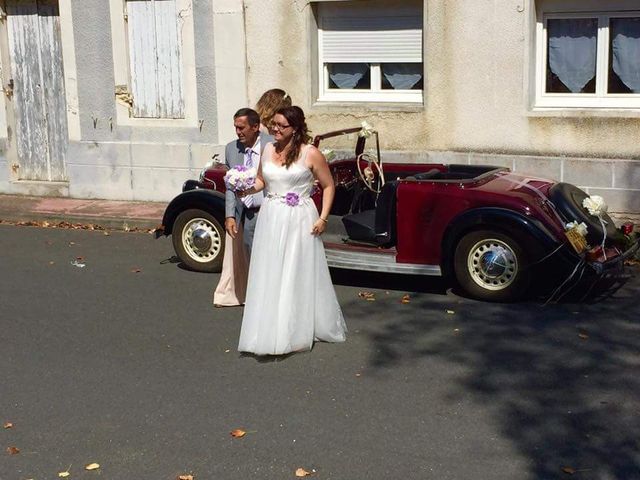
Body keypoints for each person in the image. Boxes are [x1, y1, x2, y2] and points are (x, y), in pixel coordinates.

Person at [237, 106, 346, 355]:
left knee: (295, 269)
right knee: (271, 269)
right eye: (273, 124)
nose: (274, 129)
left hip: (300, 217)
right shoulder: (267, 149)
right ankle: (270, 327)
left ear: (295, 129)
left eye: (281, 125)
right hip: (271, 215)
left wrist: (324, 218)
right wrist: (245, 187)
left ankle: (294, 330)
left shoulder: (311, 153)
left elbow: (329, 186)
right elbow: (263, 181)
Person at [213, 108, 273, 307]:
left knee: (269, 255)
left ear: (255, 127)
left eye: (242, 128)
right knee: (250, 255)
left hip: (269, 209)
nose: (238, 132)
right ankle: (255, 296)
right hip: (246, 213)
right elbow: (230, 185)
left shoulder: (271, 145)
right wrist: (229, 215)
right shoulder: (231, 149)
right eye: (235, 128)